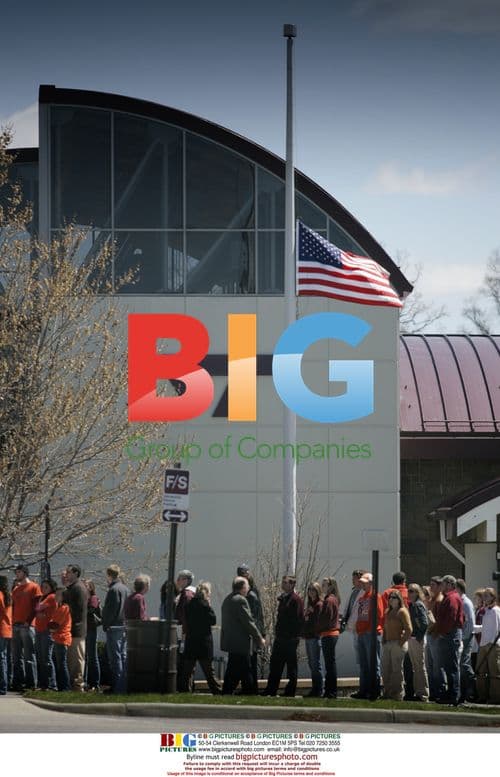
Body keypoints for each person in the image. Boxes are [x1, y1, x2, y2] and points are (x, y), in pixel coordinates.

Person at [261, 575, 304, 698]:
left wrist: (293, 636)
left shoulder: (296, 600)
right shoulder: (283, 598)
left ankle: (290, 691)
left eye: (286, 583)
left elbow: (299, 620)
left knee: (291, 667)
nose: (283, 584)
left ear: (292, 585)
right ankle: (271, 689)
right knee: (275, 665)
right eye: (283, 582)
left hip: (290, 639)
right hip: (280, 638)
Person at [221, 576, 264, 695]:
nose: (249, 588)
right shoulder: (240, 600)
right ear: (242, 587)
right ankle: (249, 692)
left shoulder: (228, 599)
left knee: (233, 669)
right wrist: (259, 637)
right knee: (246, 669)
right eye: (247, 586)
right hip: (241, 643)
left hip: (231, 642)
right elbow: (248, 622)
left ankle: (228, 691)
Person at [182, 581, 221, 695]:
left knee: (188, 670)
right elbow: (213, 621)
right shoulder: (205, 605)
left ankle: (185, 691)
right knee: (209, 671)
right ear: (206, 592)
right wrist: (209, 606)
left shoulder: (188, 605)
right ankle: (217, 691)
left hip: (191, 640)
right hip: (204, 641)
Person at [353, 572, 384, 700]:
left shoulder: (375, 597)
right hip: (362, 633)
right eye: (362, 583)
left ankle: (374, 690)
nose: (362, 585)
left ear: (371, 583)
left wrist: (372, 629)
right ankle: (364, 690)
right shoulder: (362, 598)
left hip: (370, 633)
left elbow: (380, 615)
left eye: (365, 583)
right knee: (364, 664)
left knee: (373, 663)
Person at [434, 574, 464, 705]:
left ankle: (454, 695)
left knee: (451, 667)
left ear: (451, 584)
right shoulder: (450, 597)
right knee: (448, 666)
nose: (442, 585)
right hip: (449, 634)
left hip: (450, 635)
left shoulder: (452, 598)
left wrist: (443, 632)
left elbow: (451, 618)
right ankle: (450, 693)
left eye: (445, 583)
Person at [11, 564, 41, 691]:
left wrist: (28, 621)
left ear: (24, 572)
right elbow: (12, 607)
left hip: (27, 626)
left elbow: (36, 606)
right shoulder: (16, 589)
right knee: (16, 657)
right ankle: (18, 683)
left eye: (18, 572)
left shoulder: (34, 587)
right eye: (16, 572)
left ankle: (31, 683)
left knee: (29, 656)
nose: (17, 574)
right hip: (15, 625)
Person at [237, 563, 265, 694]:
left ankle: (251, 689)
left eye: (243, 574)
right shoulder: (252, 592)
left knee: (250, 662)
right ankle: (250, 689)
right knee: (249, 662)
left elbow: (252, 617)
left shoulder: (251, 594)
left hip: (251, 634)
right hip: (253, 633)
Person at [101, 564, 129, 694]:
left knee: (115, 658)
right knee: (122, 656)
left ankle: (118, 687)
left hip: (113, 626)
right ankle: (122, 685)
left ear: (109, 575)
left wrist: (105, 623)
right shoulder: (125, 589)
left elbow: (110, 610)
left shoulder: (113, 590)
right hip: (123, 626)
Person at [381, 589, 412, 701]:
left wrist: (401, 641)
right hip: (388, 643)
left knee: (397, 670)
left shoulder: (402, 611)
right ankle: (387, 692)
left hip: (398, 644)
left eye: (394, 597)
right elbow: (385, 627)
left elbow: (409, 629)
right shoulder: (387, 611)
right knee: (385, 669)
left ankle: (398, 694)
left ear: (399, 599)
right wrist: (383, 639)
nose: (391, 599)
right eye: (390, 597)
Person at [62, 564, 89, 692]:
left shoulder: (78, 588)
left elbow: (76, 611)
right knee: (72, 660)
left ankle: (78, 687)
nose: (66, 574)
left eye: (69, 572)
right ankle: (74, 685)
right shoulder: (73, 588)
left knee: (77, 660)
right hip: (72, 629)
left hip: (77, 629)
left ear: (76, 573)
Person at [475, 587, 500, 705]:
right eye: (484, 595)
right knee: (480, 671)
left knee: (494, 672)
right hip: (483, 644)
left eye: (487, 595)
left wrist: (492, 644)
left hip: (492, 644)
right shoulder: (485, 610)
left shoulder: (495, 610)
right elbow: (486, 627)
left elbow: (496, 630)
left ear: (493, 597)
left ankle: (495, 697)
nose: (484, 597)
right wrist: (474, 628)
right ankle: (482, 696)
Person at [318, 577, 341, 699]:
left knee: (330, 664)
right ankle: (330, 690)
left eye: (325, 584)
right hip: (331, 634)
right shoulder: (332, 599)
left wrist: (317, 627)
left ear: (331, 586)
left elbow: (325, 619)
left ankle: (331, 691)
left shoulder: (329, 600)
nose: (322, 586)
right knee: (330, 664)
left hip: (329, 634)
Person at [34, 579, 58, 691]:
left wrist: (41, 611)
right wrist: (41, 611)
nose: (43, 589)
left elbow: (38, 608)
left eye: (46, 587)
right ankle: (43, 684)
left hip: (46, 632)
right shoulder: (42, 597)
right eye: (42, 586)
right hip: (39, 630)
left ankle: (52, 684)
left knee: (47, 659)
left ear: (51, 588)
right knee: (41, 658)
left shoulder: (52, 596)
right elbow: (38, 610)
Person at [406, 583, 429, 701]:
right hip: (412, 639)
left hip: (417, 640)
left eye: (411, 591)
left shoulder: (419, 605)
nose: (408, 594)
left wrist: (419, 637)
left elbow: (425, 623)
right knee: (416, 667)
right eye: (408, 591)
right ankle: (418, 692)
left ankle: (423, 694)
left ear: (417, 593)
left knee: (420, 667)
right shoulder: (412, 605)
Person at [425, 576, 445, 701]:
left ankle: (440, 691)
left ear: (439, 586)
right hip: (430, 635)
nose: (431, 587)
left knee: (438, 666)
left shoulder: (440, 600)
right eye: (430, 584)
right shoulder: (432, 599)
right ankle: (433, 692)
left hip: (436, 636)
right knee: (430, 666)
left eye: (433, 585)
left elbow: (439, 621)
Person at [302, 582, 323, 697]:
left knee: (315, 664)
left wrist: (311, 612)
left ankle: (319, 689)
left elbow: (317, 622)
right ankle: (314, 688)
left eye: (313, 590)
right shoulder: (310, 604)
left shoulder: (318, 605)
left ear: (318, 591)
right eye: (309, 590)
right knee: (311, 663)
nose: (311, 592)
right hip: (308, 637)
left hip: (315, 638)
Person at [456, 578, 476, 703]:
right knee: (461, 665)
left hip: (466, 638)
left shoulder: (466, 603)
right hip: (463, 638)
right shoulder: (460, 601)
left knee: (464, 665)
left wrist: (463, 638)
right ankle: (464, 692)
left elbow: (470, 624)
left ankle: (472, 689)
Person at [340, 570, 365, 667]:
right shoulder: (353, 591)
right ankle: (362, 676)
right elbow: (348, 608)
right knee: (358, 654)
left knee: (363, 655)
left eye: (355, 579)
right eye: (353, 578)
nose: (353, 581)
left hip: (361, 628)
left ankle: (366, 678)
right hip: (354, 627)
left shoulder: (364, 593)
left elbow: (362, 613)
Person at [48, 588, 72, 691]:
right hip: (58, 638)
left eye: (58, 595)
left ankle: (65, 687)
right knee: (59, 663)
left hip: (62, 638)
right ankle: (61, 686)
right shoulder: (59, 607)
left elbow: (54, 625)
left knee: (62, 664)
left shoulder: (64, 608)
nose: (55, 596)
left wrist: (51, 627)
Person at [83, 579, 101, 692]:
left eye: (86, 586)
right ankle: (84, 682)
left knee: (92, 657)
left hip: (91, 630)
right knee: (84, 657)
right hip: (83, 630)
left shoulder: (93, 598)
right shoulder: (83, 599)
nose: (84, 588)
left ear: (91, 587)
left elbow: (91, 610)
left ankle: (95, 683)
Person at [0, 575, 13, 695]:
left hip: (1, 629)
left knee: (2, 658)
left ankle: (2, 685)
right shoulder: (8, 596)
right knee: (4, 657)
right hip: (7, 629)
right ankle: (5, 683)